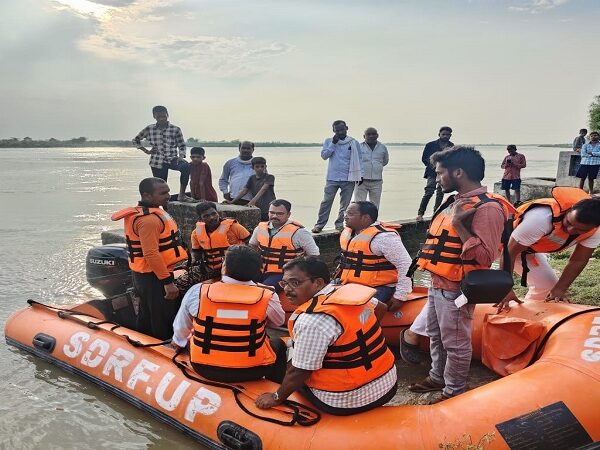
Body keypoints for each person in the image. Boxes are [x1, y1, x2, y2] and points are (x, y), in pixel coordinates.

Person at [407, 146, 514, 403]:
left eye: (440, 173)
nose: (438, 178)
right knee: (435, 334)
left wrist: (458, 225)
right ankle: (437, 376)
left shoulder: (487, 209)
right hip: (437, 280)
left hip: (456, 286)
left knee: (455, 342)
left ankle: (454, 391)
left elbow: (484, 257)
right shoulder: (455, 201)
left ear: (458, 172)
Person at [255, 257, 397, 415]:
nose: (287, 289)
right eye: (284, 283)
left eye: (295, 283)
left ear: (318, 283)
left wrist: (276, 397)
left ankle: (275, 388)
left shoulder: (312, 321)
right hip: (388, 383)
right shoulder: (349, 292)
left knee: (285, 359)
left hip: (346, 399)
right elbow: (381, 307)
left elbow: (300, 371)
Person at [171, 245, 287, 383]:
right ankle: (275, 386)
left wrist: (177, 342)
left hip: (203, 367)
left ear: (224, 267)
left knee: (190, 337)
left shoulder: (198, 291)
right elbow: (278, 322)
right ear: (258, 271)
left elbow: (181, 328)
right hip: (254, 369)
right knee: (278, 344)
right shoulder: (268, 295)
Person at [496, 188, 600, 311]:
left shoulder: (595, 232)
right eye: (569, 222)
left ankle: (529, 316)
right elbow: (509, 252)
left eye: (580, 230)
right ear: (569, 210)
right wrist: (505, 288)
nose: (571, 230)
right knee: (476, 279)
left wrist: (560, 289)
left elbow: (578, 260)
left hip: (525, 248)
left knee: (547, 286)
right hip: (494, 241)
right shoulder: (540, 219)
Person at [111, 177, 188, 340]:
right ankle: (162, 347)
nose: (168, 196)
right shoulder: (149, 220)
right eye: (162, 193)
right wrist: (167, 283)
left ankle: (142, 340)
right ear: (146, 195)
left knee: (147, 313)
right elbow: (151, 253)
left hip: (147, 274)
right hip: (153, 276)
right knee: (161, 317)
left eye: (167, 191)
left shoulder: (151, 213)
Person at [339, 201, 412, 307]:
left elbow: (406, 264)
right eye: (346, 213)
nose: (345, 217)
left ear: (365, 218)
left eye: (350, 214)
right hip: (350, 284)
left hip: (380, 287)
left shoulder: (383, 237)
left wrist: (400, 296)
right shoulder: (350, 233)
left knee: (356, 310)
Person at [250, 199, 320, 291]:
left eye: (279, 214)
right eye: (272, 212)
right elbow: (252, 246)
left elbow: (314, 255)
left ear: (288, 214)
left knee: (264, 290)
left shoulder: (299, 232)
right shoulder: (260, 228)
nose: (274, 216)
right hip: (260, 269)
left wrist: (299, 271)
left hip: (284, 273)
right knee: (241, 283)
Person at [132, 106, 193, 202]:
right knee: (160, 185)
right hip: (157, 160)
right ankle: (164, 205)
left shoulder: (175, 129)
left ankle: (182, 195)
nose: (161, 119)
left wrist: (181, 156)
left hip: (172, 158)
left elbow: (181, 145)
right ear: (154, 116)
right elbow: (136, 140)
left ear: (167, 115)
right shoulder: (150, 129)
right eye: (158, 117)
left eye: (163, 116)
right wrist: (146, 151)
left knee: (186, 167)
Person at [312, 120, 363, 233]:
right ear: (333, 131)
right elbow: (324, 156)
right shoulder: (329, 141)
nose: (340, 132)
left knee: (345, 204)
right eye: (337, 130)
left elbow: (359, 159)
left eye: (342, 129)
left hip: (348, 178)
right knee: (326, 202)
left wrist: (360, 175)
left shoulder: (353, 142)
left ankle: (340, 224)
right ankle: (319, 225)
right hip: (332, 178)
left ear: (346, 128)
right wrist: (333, 144)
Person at [190, 201, 251, 276]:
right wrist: (192, 259)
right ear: (200, 219)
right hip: (209, 269)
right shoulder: (196, 233)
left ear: (218, 213)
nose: (212, 218)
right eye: (206, 216)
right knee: (182, 281)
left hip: (234, 270)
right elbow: (196, 253)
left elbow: (250, 245)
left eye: (214, 213)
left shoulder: (234, 227)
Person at [416, 126, 453, 222]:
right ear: (439, 134)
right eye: (443, 134)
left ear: (450, 135)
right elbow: (424, 159)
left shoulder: (452, 146)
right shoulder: (430, 145)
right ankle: (420, 214)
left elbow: (453, 160)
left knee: (440, 193)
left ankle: (436, 213)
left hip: (445, 173)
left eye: (447, 135)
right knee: (429, 191)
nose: (445, 136)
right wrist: (434, 166)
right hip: (432, 172)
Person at [224, 156, 276, 221]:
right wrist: (232, 201)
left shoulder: (270, 177)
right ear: (252, 167)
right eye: (257, 166)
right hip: (258, 207)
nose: (260, 168)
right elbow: (244, 191)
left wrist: (252, 201)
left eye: (262, 166)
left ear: (265, 166)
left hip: (269, 207)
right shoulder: (252, 178)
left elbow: (263, 189)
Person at [353, 128, 389, 208]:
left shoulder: (382, 147)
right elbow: (354, 162)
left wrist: (376, 167)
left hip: (377, 181)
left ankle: (373, 220)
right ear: (364, 136)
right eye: (368, 134)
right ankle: (359, 220)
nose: (371, 136)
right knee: (359, 205)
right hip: (361, 181)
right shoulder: (359, 147)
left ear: (377, 135)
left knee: (375, 205)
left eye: (373, 134)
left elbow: (385, 161)